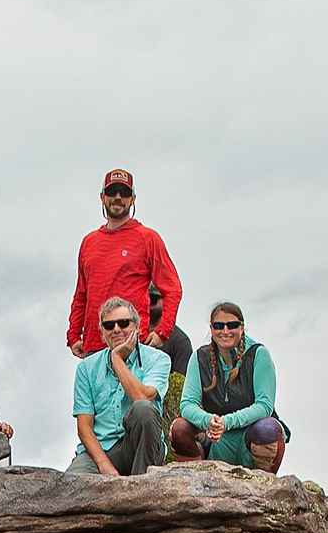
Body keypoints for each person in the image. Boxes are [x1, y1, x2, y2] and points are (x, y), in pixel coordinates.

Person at [64, 167, 183, 357]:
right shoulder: (89, 242)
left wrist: (163, 331)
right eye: (112, 191)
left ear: (133, 199)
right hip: (94, 347)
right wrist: (73, 334)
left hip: (132, 346)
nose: (118, 197)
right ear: (102, 197)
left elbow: (173, 288)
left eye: (125, 192)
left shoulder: (148, 238)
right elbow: (81, 295)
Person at [169, 301, 286, 471]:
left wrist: (227, 422)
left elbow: (264, 406)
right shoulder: (199, 357)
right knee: (179, 429)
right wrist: (208, 421)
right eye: (218, 326)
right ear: (211, 329)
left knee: (267, 429)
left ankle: (264, 484)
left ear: (242, 327)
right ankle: (195, 480)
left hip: (250, 437)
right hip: (215, 439)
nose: (225, 331)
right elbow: (187, 404)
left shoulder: (259, 354)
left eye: (232, 325)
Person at [68, 297, 168, 477]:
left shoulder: (158, 359)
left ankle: (141, 488)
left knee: (143, 409)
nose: (116, 329)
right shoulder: (86, 368)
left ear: (137, 327)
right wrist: (104, 465)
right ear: (102, 332)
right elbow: (84, 427)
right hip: (100, 451)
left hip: (141, 446)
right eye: (109, 325)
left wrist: (117, 359)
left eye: (123, 323)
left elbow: (142, 398)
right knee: (68, 488)